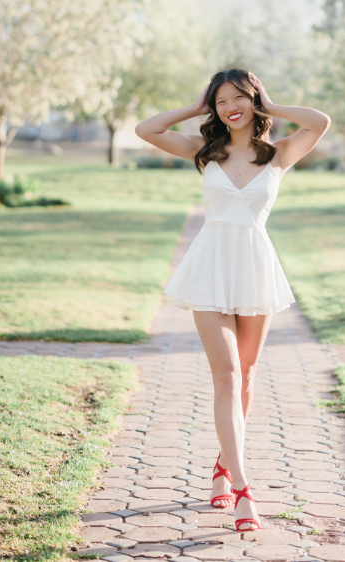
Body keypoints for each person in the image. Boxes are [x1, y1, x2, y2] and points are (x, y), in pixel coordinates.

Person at [134, 68, 330, 533]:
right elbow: (146, 130)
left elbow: (319, 121)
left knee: (245, 378)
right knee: (226, 374)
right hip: (210, 267)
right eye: (221, 102)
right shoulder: (205, 151)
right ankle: (242, 491)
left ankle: (223, 465)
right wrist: (197, 108)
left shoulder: (279, 154)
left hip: (255, 268)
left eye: (238, 98)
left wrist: (269, 105)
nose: (229, 108)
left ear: (254, 99)